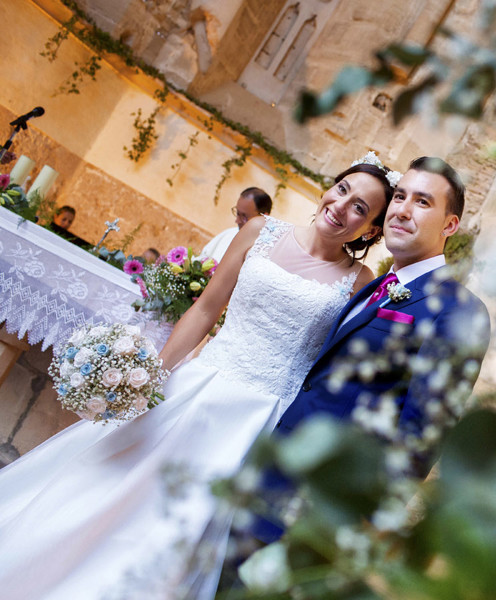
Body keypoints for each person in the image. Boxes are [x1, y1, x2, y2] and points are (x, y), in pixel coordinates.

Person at [0, 158, 395, 599]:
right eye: (341, 190)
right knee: (117, 483)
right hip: (201, 387)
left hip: (261, 420)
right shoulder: (260, 231)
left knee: (188, 529)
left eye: (360, 208)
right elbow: (206, 310)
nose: (341, 207)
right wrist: (151, 378)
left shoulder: (360, 280)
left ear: (372, 231)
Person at [253, 156, 491, 542]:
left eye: (423, 202)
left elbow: (422, 433)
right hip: (273, 472)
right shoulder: (373, 286)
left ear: (450, 225)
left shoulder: (459, 310)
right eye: (400, 197)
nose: (402, 210)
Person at [201, 187, 272, 261]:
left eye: (244, 217)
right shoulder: (227, 235)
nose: (237, 221)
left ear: (264, 217)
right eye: (238, 213)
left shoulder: (266, 251)